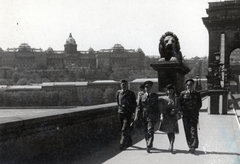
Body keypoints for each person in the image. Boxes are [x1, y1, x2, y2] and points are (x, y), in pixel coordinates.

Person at [135, 81, 159, 153]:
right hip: (144, 115)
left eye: (149, 87)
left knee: (150, 130)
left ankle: (149, 144)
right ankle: (148, 141)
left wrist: (157, 116)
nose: (147, 88)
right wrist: (136, 116)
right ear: (144, 88)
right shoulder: (142, 96)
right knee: (145, 130)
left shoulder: (155, 96)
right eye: (146, 87)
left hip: (151, 115)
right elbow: (139, 107)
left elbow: (157, 107)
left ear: (151, 88)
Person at [179, 78, 202, 154]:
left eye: (191, 85)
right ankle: (190, 145)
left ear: (193, 85)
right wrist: (182, 111)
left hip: (194, 115)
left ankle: (193, 146)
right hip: (186, 115)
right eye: (188, 85)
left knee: (193, 130)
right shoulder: (183, 94)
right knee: (187, 130)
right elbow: (180, 104)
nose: (189, 86)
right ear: (186, 86)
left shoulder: (197, 94)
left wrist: (195, 110)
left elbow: (199, 104)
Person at [116, 79, 137, 150]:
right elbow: (118, 102)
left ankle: (122, 144)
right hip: (120, 113)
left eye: (125, 85)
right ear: (120, 85)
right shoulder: (118, 93)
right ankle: (129, 141)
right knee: (123, 128)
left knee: (124, 129)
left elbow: (134, 104)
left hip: (128, 113)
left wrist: (133, 113)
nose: (124, 86)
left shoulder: (131, 93)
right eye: (123, 85)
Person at [159, 84, 180, 152]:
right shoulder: (164, 99)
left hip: (173, 116)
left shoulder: (176, 98)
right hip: (166, 116)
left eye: (171, 90)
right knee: (168, 131)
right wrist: (161, 115)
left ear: (173, 91)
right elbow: (162, 108)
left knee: (172, 130)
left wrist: (175, 110)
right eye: (169, 90)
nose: (170, 92)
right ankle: (170, 143)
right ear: (167, 91)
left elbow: (178, 107)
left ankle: (171, 144)